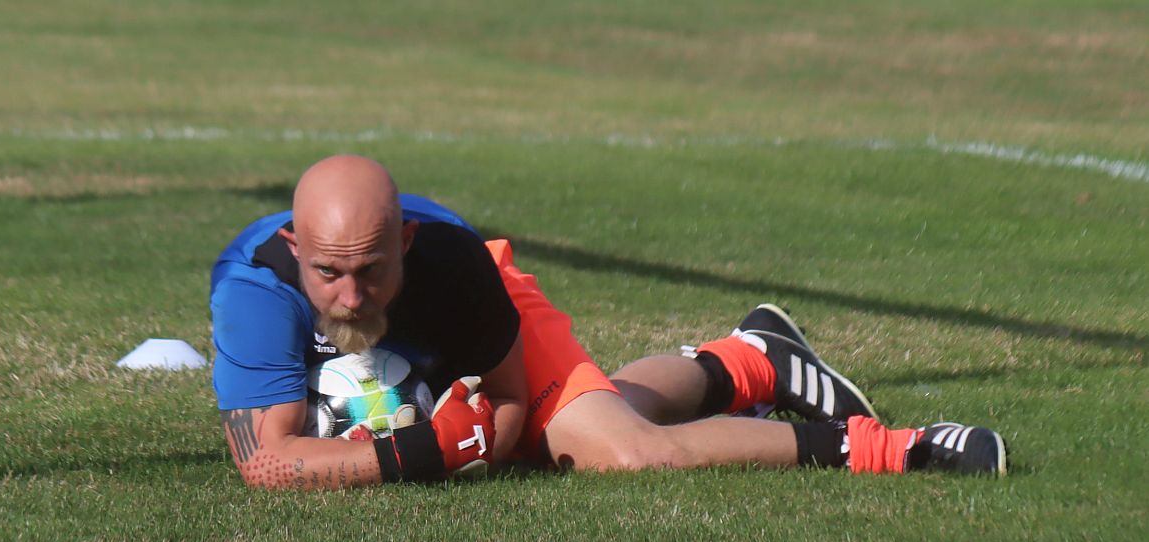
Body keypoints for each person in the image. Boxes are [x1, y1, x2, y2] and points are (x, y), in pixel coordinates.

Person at [210, 155, 1007, 490]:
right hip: (426, 398)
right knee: (583, 431)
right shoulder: (253, 292)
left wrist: (474, 436)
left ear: (406, 244)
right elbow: (267, 466)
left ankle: (901, 448)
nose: (351, 296)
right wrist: (426, 448)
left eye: (372, 270)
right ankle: (749, 359)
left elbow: (512, 399)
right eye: (328, 273)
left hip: (492, 312)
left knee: (621, 451)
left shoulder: (455, 266)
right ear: (293, 247)